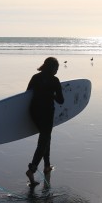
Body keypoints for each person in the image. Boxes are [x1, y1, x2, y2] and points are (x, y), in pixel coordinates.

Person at [25, 57, 65, 186]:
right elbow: (61, 100)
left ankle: (47, 165)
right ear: (52, 68)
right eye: (56, 69)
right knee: (43, 141)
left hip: (34, 112)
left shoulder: (35, 77)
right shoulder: (54, 80)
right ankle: (32, 169)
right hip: (47, 113)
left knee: (46, 137)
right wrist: (51, 94)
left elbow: (26, 94)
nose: (57, 71)